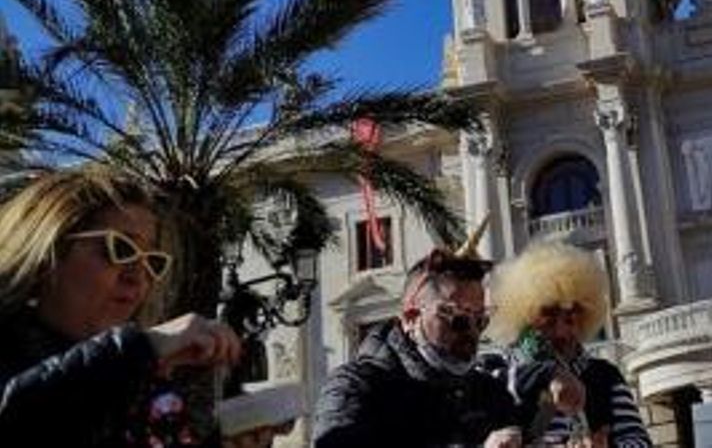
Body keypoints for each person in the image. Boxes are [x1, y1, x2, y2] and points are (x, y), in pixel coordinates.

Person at [0, 165, 268, 447]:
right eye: (121, 249)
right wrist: (143, 348)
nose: (137, 276)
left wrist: (226, 443)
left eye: (152, 262)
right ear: (47, 254)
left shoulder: (143, 379)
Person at [313, 239, 520, 448]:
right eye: (458, 318)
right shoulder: (355, 388)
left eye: (480, 320)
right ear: (411, 318)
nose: (471, 332)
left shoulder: (487, 391)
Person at [485, 241, 651, 448]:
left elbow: (639, 441)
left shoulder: (604, 376)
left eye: (572, 317)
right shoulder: (493, 371)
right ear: (525, 315)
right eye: (550, 316)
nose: (562, 331)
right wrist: (548, 375)